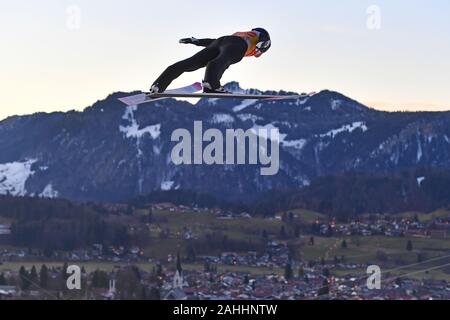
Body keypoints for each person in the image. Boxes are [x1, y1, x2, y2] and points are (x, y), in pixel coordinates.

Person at [149, 28, 271, 94]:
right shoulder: (259, 35)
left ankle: (158, 85)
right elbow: (265, 39)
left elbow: (214, 42)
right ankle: (211, 84)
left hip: (220, 41)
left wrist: (196, 41)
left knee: (190, 62)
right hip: (237, 45)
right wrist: (263, 45)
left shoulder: (242, 33)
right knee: (221, 61)